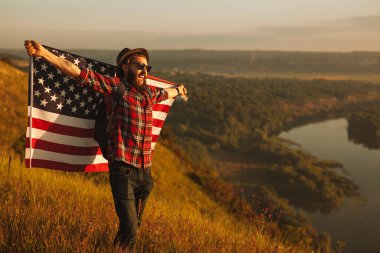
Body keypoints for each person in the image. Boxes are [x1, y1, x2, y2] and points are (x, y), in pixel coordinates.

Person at [24, 40, 187, 252]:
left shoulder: (149, 94)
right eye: (139, 65)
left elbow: (168, 93)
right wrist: (44, 54)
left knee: (133, 226)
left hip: (146, 175)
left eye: (147, 67)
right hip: (123, 172)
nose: (144, 70)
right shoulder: (115, 88)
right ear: (125, 67)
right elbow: (78, 73)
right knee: (130, 227)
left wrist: (179, 89)